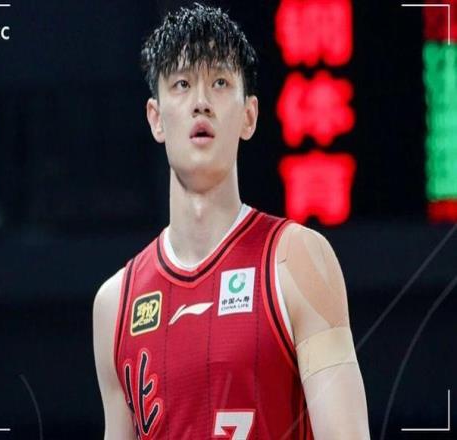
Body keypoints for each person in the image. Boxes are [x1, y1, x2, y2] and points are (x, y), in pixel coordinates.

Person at [93, 3, 370, 439]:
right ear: (156, 118)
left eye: (220, 82)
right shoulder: (115, 305)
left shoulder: (296, 260)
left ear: (249, 116)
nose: (201, 103)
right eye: (182, 84)